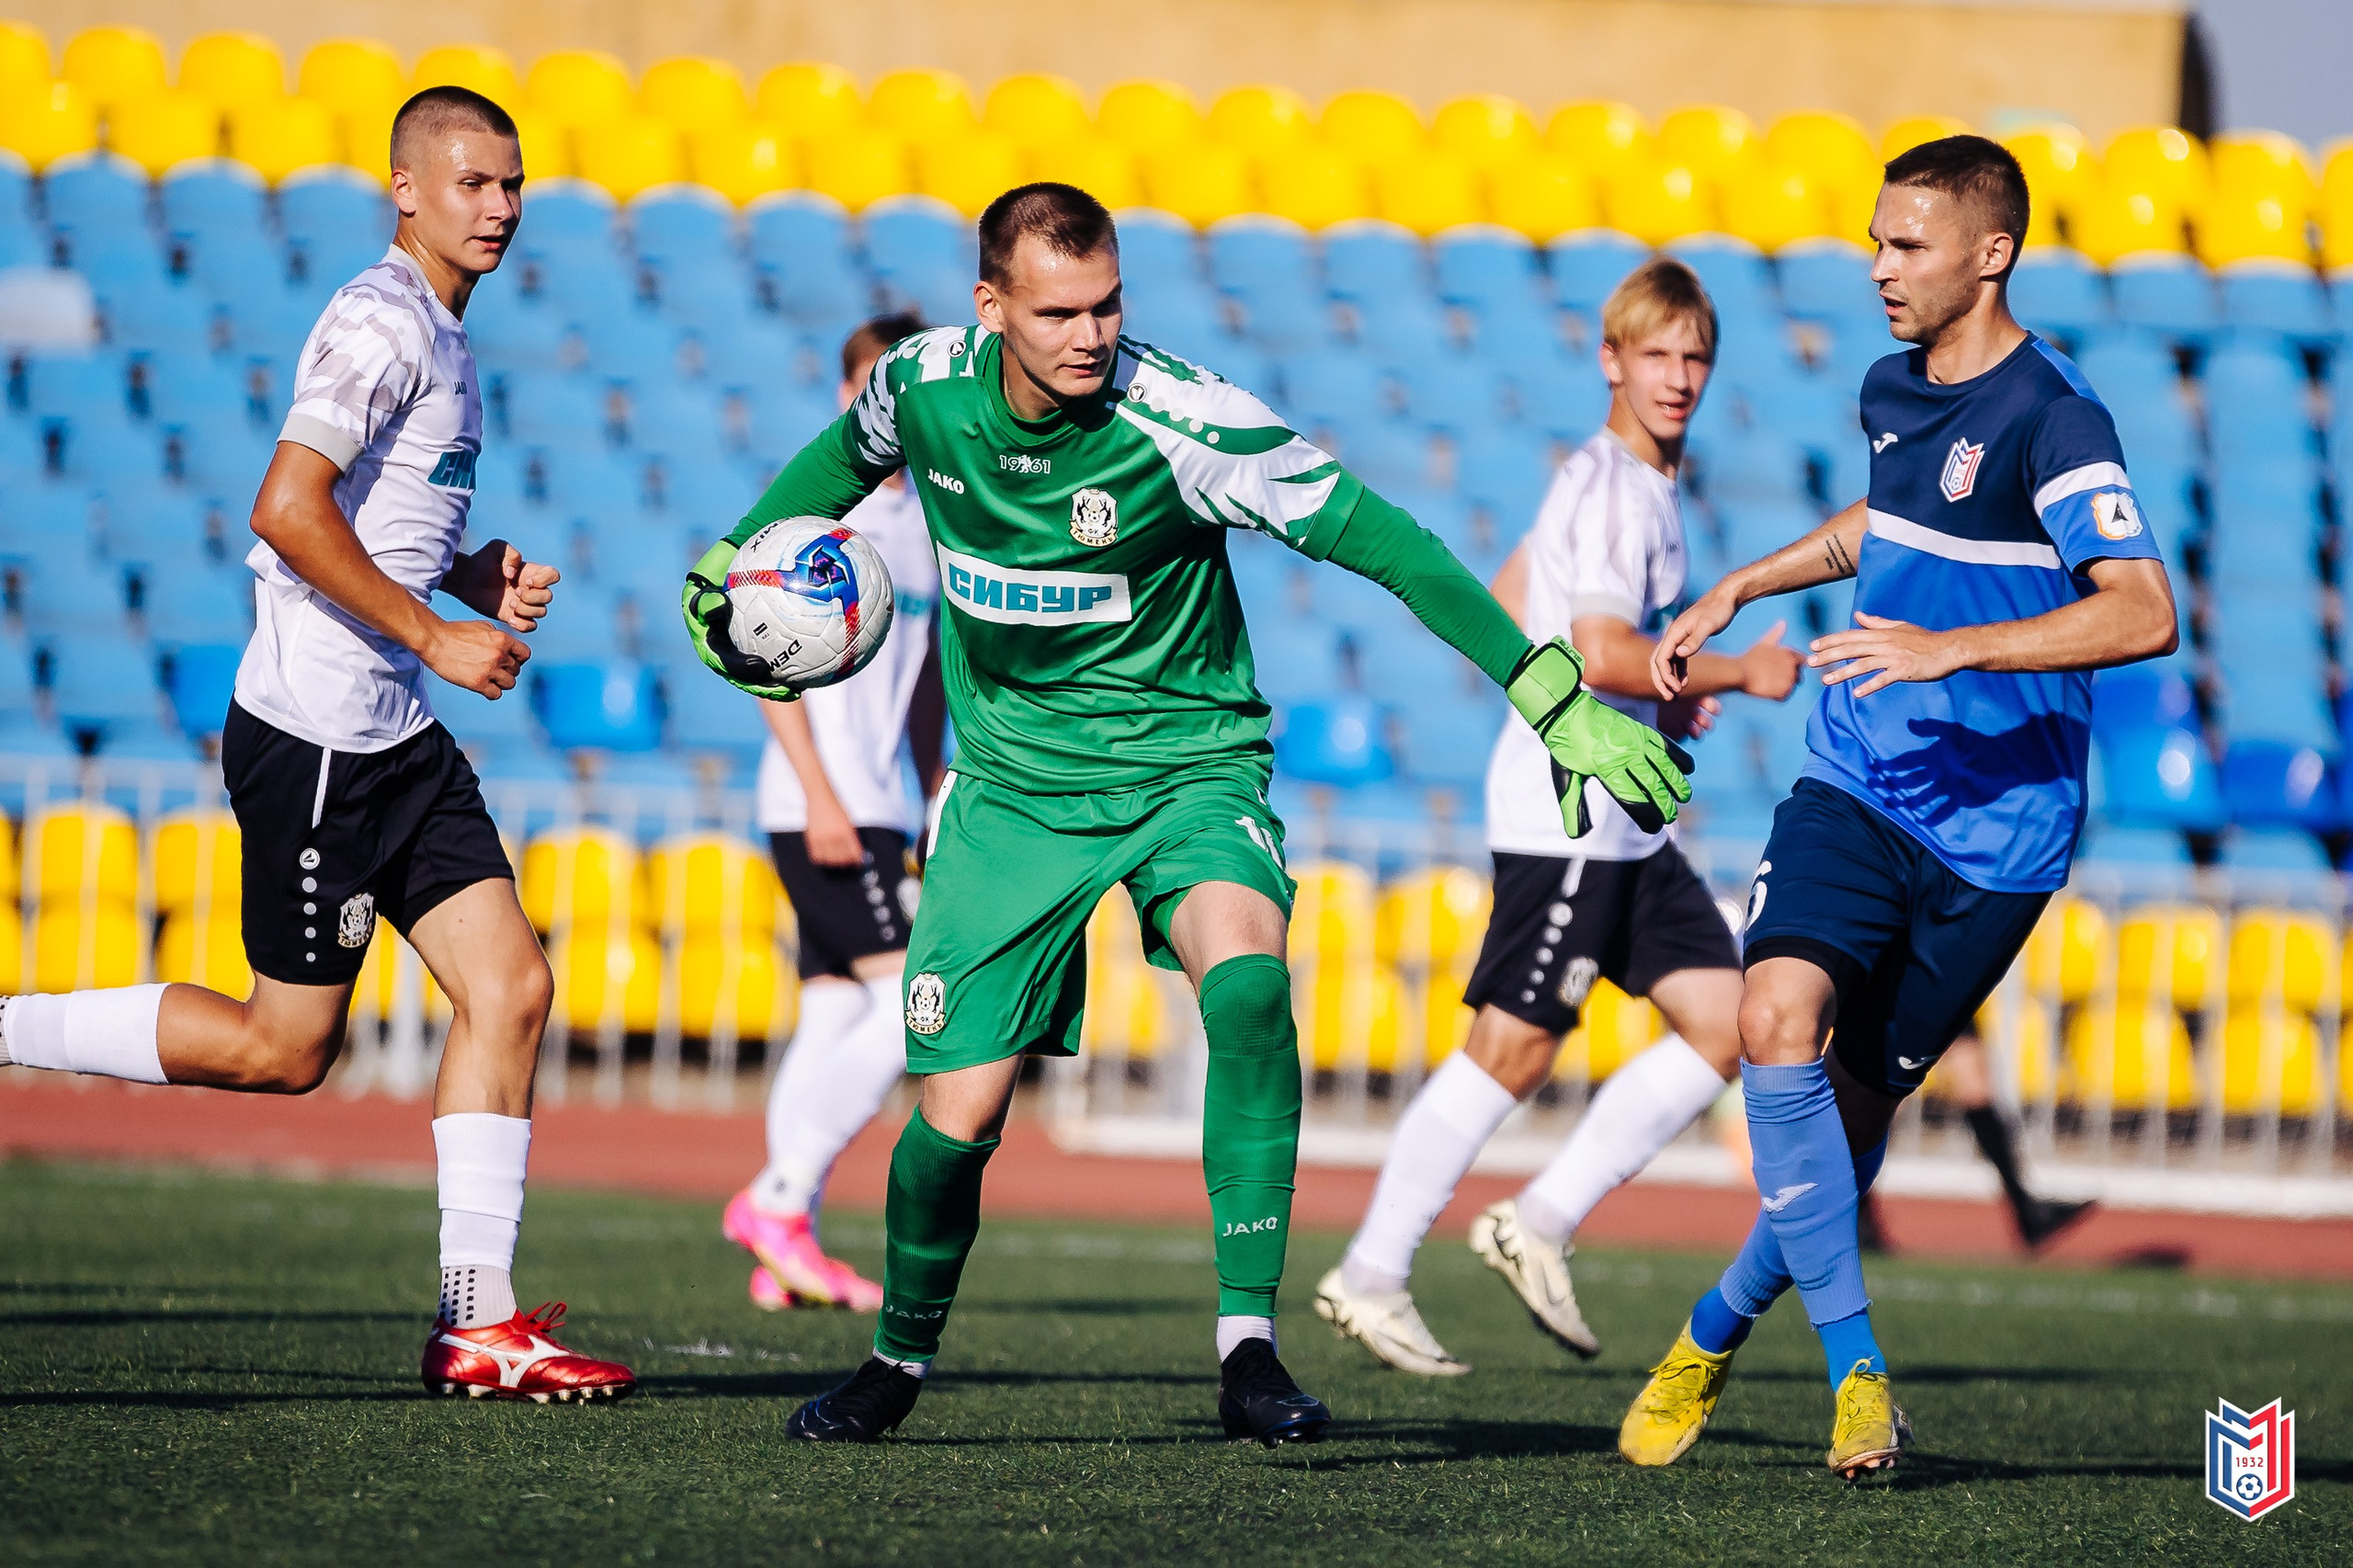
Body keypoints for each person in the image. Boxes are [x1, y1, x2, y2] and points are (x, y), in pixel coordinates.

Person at [680, 182, 1693, 1446]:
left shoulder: (1188, 420)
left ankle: (1249, 1346)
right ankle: (896, 1359)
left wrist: (1548, 695)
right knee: (958, 1118)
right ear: (991, 307)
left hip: (1189, 769)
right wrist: (741, 548)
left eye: (1107, 304)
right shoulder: (917, 387)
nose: (1090, 335)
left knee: (1251, 988)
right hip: (1012, 795)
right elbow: (838, 460)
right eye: (1056, 312)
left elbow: (1389, 542)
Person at [0, 86, 635, 1403]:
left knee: (510, 986)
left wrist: (471, 572)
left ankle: (478, 1321)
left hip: (398, 734)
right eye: (472, 183)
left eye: (513, 184)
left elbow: (376, 508)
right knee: (284, 1049)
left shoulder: (449, 338)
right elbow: (287, 506)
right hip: (321, 742)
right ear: (406, 189)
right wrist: (440, 631)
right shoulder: (378, 318)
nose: (501, 208)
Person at [1625, 135, 2176, 1478]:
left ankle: (1710, 1327)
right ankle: (1858, 1373)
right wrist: (1748, 583)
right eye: (1875, 240)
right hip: (1859, 781)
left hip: (2001, 842)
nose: (1878, 268)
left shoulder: (2059, 416)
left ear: (1990, 254)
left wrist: (1954, 648)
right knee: (1774, 1019)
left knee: (1852, 1125)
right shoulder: (1890, 385)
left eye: (1906, 244)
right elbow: (1889, 522)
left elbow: (2143, 608)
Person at [1313, 257, 1801, 1376]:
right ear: (1610, 359)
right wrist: (1726, 673)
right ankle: (1372, 1270)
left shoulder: (1614, 481)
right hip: (1566, 810)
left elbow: (1510, 602)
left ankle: (1538, 1218)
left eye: (1695, 357)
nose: (1678, 377)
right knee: (1516, 1045)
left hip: (1624, 811)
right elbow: (1594, 647)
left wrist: (1650, 701)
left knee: (1731, 1020)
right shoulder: (1614, 486)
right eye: (1657, 354)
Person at [722, 312, 943, 1312]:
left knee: (833, 1009)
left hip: (886, 799)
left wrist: (938, 794)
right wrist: (817, 793)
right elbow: (757, 658)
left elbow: (934, 680)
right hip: (824, 802)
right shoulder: (815, 519)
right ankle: (778, 1196)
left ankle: (785, 1246)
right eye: (868, 384)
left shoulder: (931, 520)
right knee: (912, 1005)